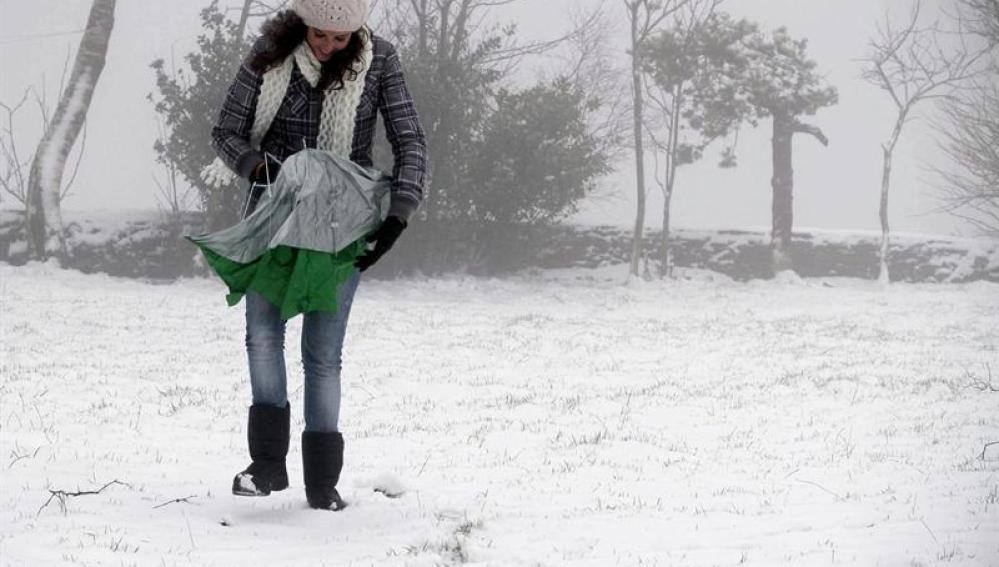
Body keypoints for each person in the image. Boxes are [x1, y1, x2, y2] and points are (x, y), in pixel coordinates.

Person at [209, 0, 427, 510]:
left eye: (341, 38)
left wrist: (399, 213)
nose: (330, 46)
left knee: (323, 354)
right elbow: (225, 130)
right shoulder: (268, 54)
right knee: (261, 335)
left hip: (343, 219)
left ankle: (322, 482)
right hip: (275, 215)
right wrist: (257, 168)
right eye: (321, 35)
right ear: (302, 23)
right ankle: (266, 466)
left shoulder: (381, 61)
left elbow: (410, 139)